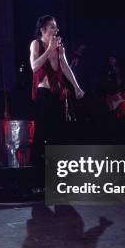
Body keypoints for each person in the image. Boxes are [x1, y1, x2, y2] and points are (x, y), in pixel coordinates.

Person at [30, 15, 84, 160]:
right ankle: (35, 167)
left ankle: (56, 166)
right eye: (52, 27)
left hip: (57, 93)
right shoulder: (36, 44)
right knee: (41, 130)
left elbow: (65, 67)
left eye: (56, 27)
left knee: (59, 130)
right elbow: (34, 66)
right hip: (43, 93)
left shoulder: (60, 46)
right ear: (43, 29)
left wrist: (77, 87)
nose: (56, 30)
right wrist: (49, 49)